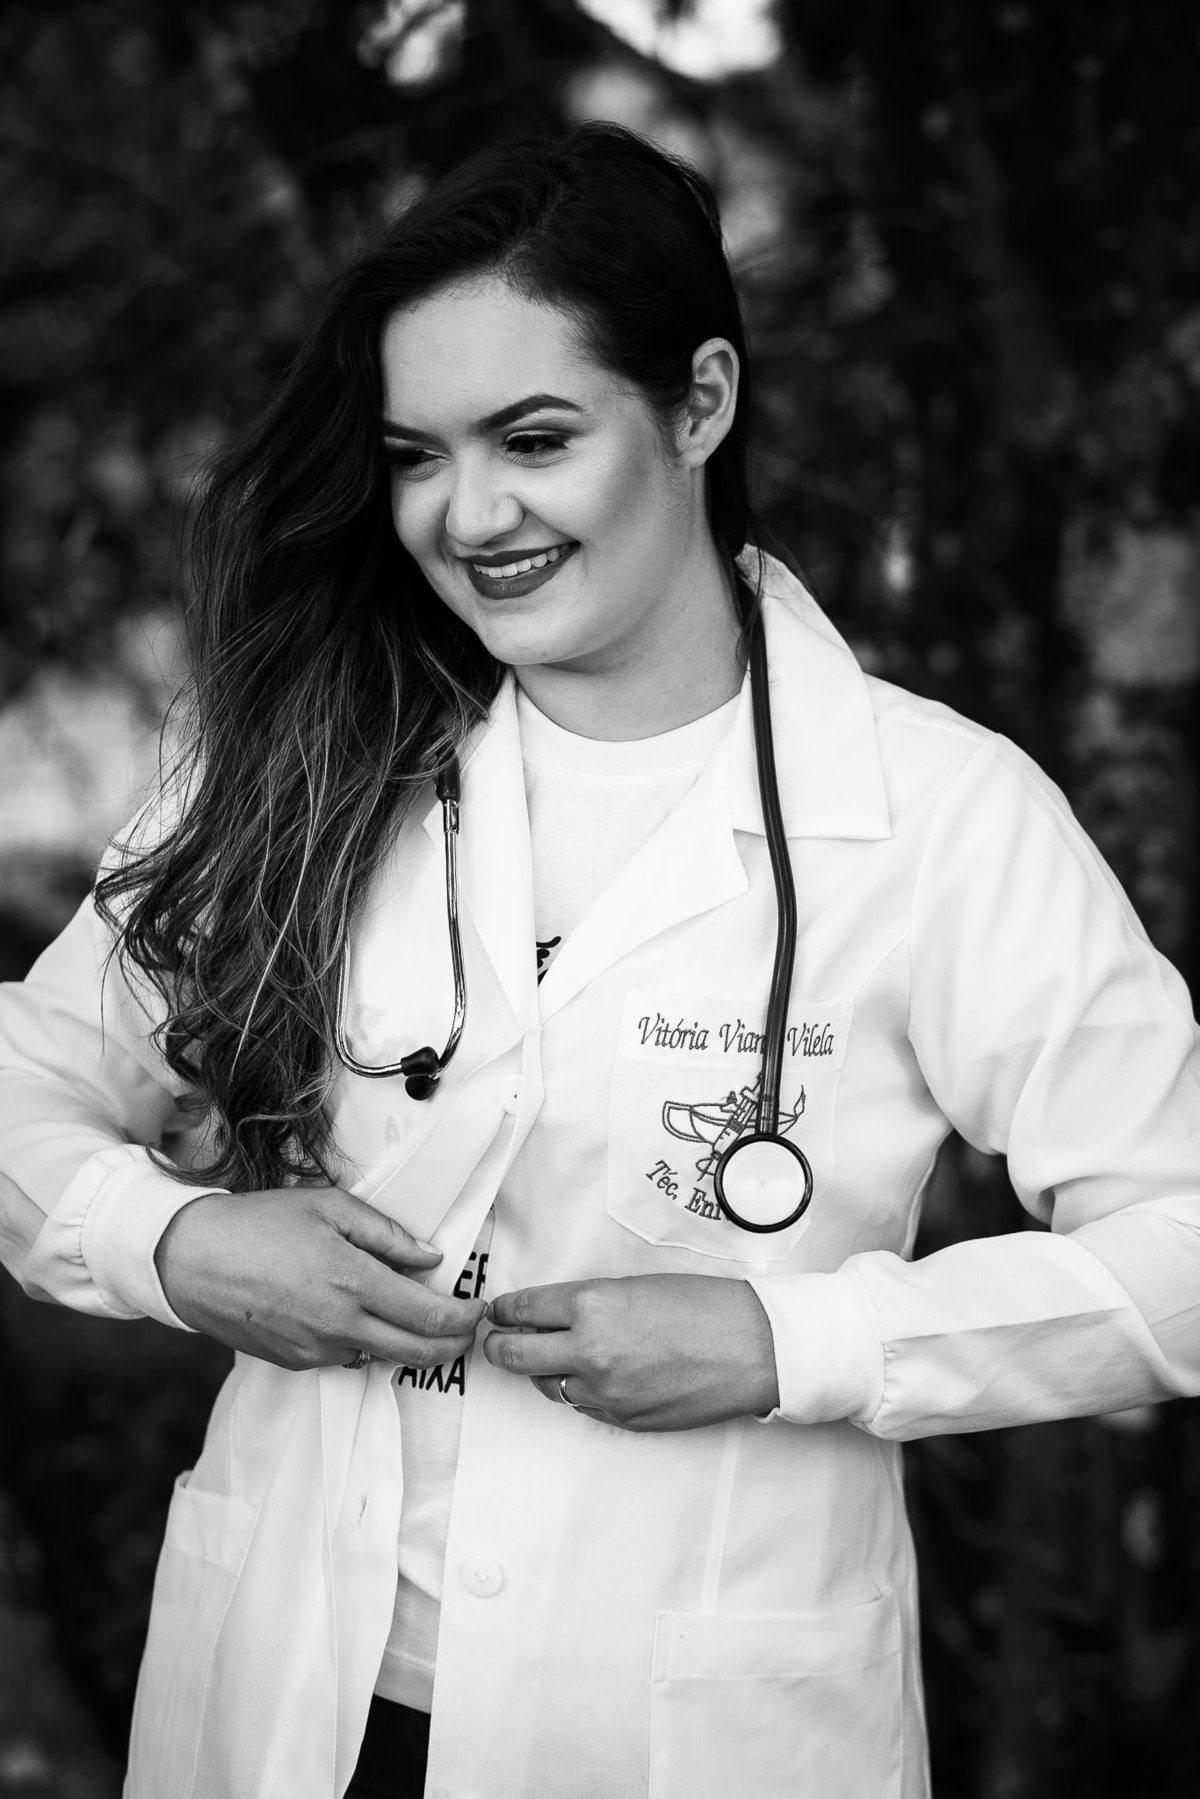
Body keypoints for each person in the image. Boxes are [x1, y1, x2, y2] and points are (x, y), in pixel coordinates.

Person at [1, 122, 1199, 1799]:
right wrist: (178, 1244)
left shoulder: (940, 815)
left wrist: (792, 1345)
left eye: (535, 438)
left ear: (700, 403)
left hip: (692, 1729)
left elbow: (1179, 1250)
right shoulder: (294, 759)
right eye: (417, 455)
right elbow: (26, 1081)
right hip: (288, 1704)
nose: (469, 513)